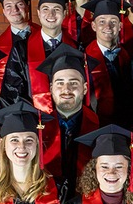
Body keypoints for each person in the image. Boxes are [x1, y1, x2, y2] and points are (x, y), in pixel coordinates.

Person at [36, 45, 100, 186]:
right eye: (60, 83)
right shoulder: (36, 130)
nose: (66, 89)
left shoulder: (101, 129)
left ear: (85, 88)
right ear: (51, 88)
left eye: (73, 83)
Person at [81, 0, 133, 127]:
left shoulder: (128, 57)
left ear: (120, 26)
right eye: (102, 22)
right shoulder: (83, 60)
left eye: (113, 22)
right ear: (93, 26)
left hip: (126, 124)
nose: (108, 26)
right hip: (96, 125)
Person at [0, 0, 37, 107]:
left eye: (19, 4)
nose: (14, 10)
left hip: (42, 105)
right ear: (4, 12)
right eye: (8, 6)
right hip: (10, 107)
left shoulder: (45, 38)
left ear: (27, 7)